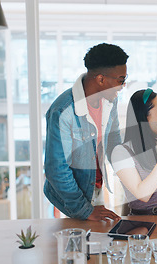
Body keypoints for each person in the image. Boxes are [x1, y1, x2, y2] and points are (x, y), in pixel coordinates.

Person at [44, 43, 128, 221]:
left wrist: (133, 175)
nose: (122, 86)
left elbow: (114, 141)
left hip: (95, 188)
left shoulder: (109, 102)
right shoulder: (63, 111)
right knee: (75, 245)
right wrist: (85, 210)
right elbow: (56, 169)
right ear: (101, 79)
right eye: (120, 80)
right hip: (69, 198)